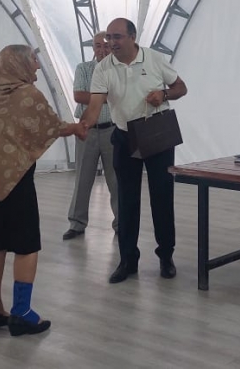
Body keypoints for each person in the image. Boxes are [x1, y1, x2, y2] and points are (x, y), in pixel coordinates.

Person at [0, 45, 86, 335]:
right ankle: (22, 313)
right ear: (18, 63)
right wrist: (77, 128)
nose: (38, 66)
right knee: (26, 244)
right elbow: (51, 127)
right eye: (34, 59)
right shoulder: (27, 94)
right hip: (15, 178)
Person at [79, 18, 188, 284]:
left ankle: (166, 256)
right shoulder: (103, 68)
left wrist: (163, 95)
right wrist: (82, 125)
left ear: (132, 37)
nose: (111, 43)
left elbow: (181, 88)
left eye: (117, 37)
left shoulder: (154, 58)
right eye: (109, 38)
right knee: (126, 200)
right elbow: (94, 106)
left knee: (162, 197)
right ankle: (128, 260)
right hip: (124, 136)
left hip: (156, 135)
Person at [63, 31, 119, 239]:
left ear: (112, 47)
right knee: (83, 179)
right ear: (93, 48)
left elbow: (122, 96)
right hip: (87, 129)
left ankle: (121, 223)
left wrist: (95, 97)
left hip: (113, 130)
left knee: (116, 180)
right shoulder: (84, 68)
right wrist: (107, 96)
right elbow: (78, 95)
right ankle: (77, 223)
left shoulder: (119, 69)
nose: (101, 50)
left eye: (105, 45)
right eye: (97, 46)